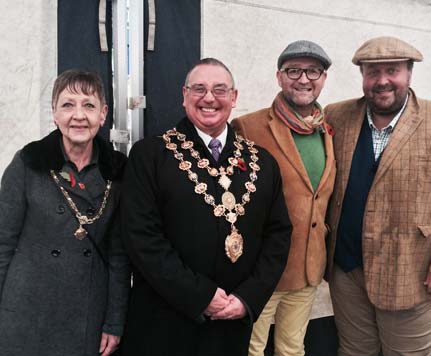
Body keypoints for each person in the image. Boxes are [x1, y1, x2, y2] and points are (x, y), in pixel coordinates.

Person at [119, 58, 292, 356]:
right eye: (199, 88)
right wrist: (200, 296)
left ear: (234, 98)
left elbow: (278, 235)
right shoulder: (150, 155)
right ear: (184, 96)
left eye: (220, 89)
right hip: (163, 323)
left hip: (231, 324)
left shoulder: (262, 162)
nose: (209, 98)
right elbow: (141, 239)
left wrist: (247, 298)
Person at [324, 36, 431, 355]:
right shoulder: (336, 116)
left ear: (409, 74)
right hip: (347, 270)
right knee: (354, 350)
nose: (382, 80)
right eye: (373, 72)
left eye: (392, 71)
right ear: (362, 75)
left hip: (412, 271)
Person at [0, 69, 130, 356]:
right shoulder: (27, 163)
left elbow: (120, 256)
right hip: (24, 310)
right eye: (68, 105)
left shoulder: (119, 172)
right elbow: (2, 244)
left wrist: (114, 322)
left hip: (86, 314)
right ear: (54, 113)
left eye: (89, 105)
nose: (79, 115)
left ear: (103, 114)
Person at [231, 40, 335, 356]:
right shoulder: (248, 127)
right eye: (294, 71)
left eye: (313, 71)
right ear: (279, 77)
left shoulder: (327, 129)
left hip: (308, 267)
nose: (303, 79)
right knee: (250, 348)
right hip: (261, 270)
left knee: (292, 349)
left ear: (323, 78)